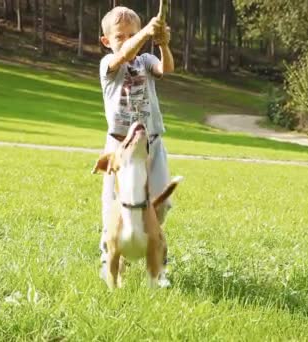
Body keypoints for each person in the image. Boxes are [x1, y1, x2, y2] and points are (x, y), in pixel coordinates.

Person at [97, 6, 174, 286]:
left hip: (152, 142)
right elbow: (125, 54)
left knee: (161, 204)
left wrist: (163, 44)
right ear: (107, 41)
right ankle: (111, 253)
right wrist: (145, 32)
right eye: (120, 36)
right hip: (120, 147)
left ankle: (151, 246)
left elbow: (166, 68)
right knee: (112, 205)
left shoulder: (146, 60)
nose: (127, 39)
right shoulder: (108, 64)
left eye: (132, 33)